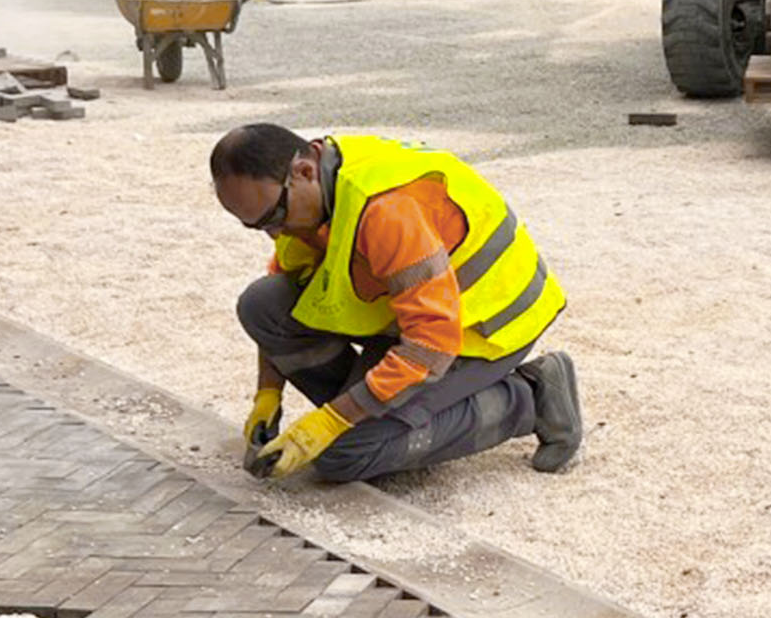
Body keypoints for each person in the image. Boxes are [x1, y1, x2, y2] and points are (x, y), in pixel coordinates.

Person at [211, 123, 582, 483]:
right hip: (413, 315)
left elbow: (430, 345)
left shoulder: (386, 210)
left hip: (484, 325)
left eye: (273, 217)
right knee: (262, 304)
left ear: (304, 171)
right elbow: (282, 289)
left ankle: (530, 396)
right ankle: (388, 419)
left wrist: (331, 423)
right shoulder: (312, 191)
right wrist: (268, 393)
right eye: (256, 225)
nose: (273, 232)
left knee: (346, 455)